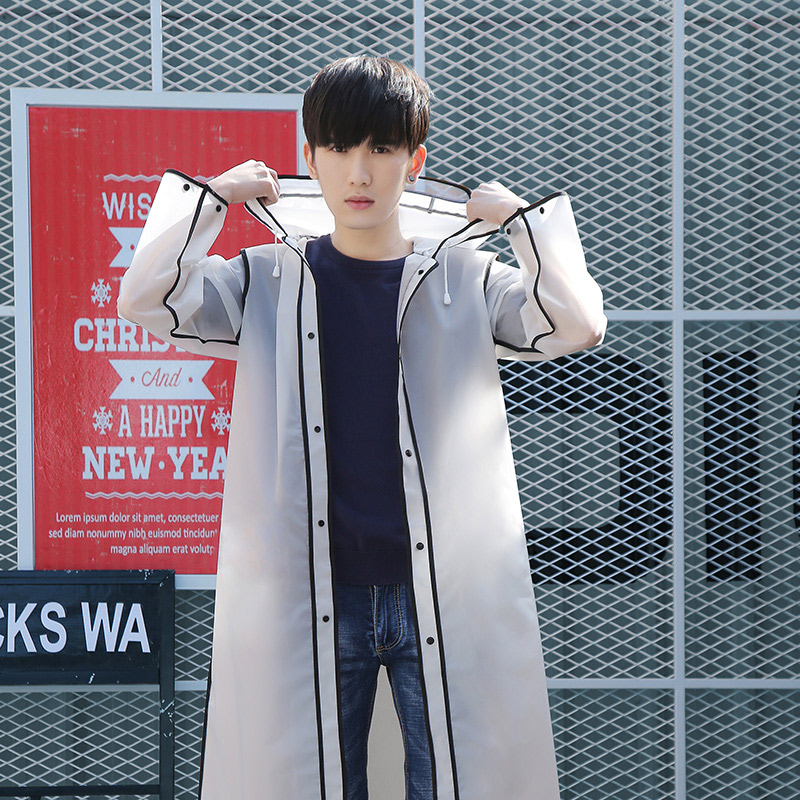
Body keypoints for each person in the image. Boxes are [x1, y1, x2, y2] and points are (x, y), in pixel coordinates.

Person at [118, 54, 606, 800]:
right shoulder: (266, 279)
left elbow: (576, 323)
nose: (359, 172)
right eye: (339, 146)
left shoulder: (465, 279)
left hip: (440, 592)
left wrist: (523, 223)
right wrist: (213, 199)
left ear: (414, 160)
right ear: (309, 157)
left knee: (457, 783)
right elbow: (148, 300)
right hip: (314, 590)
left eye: (381, 148)